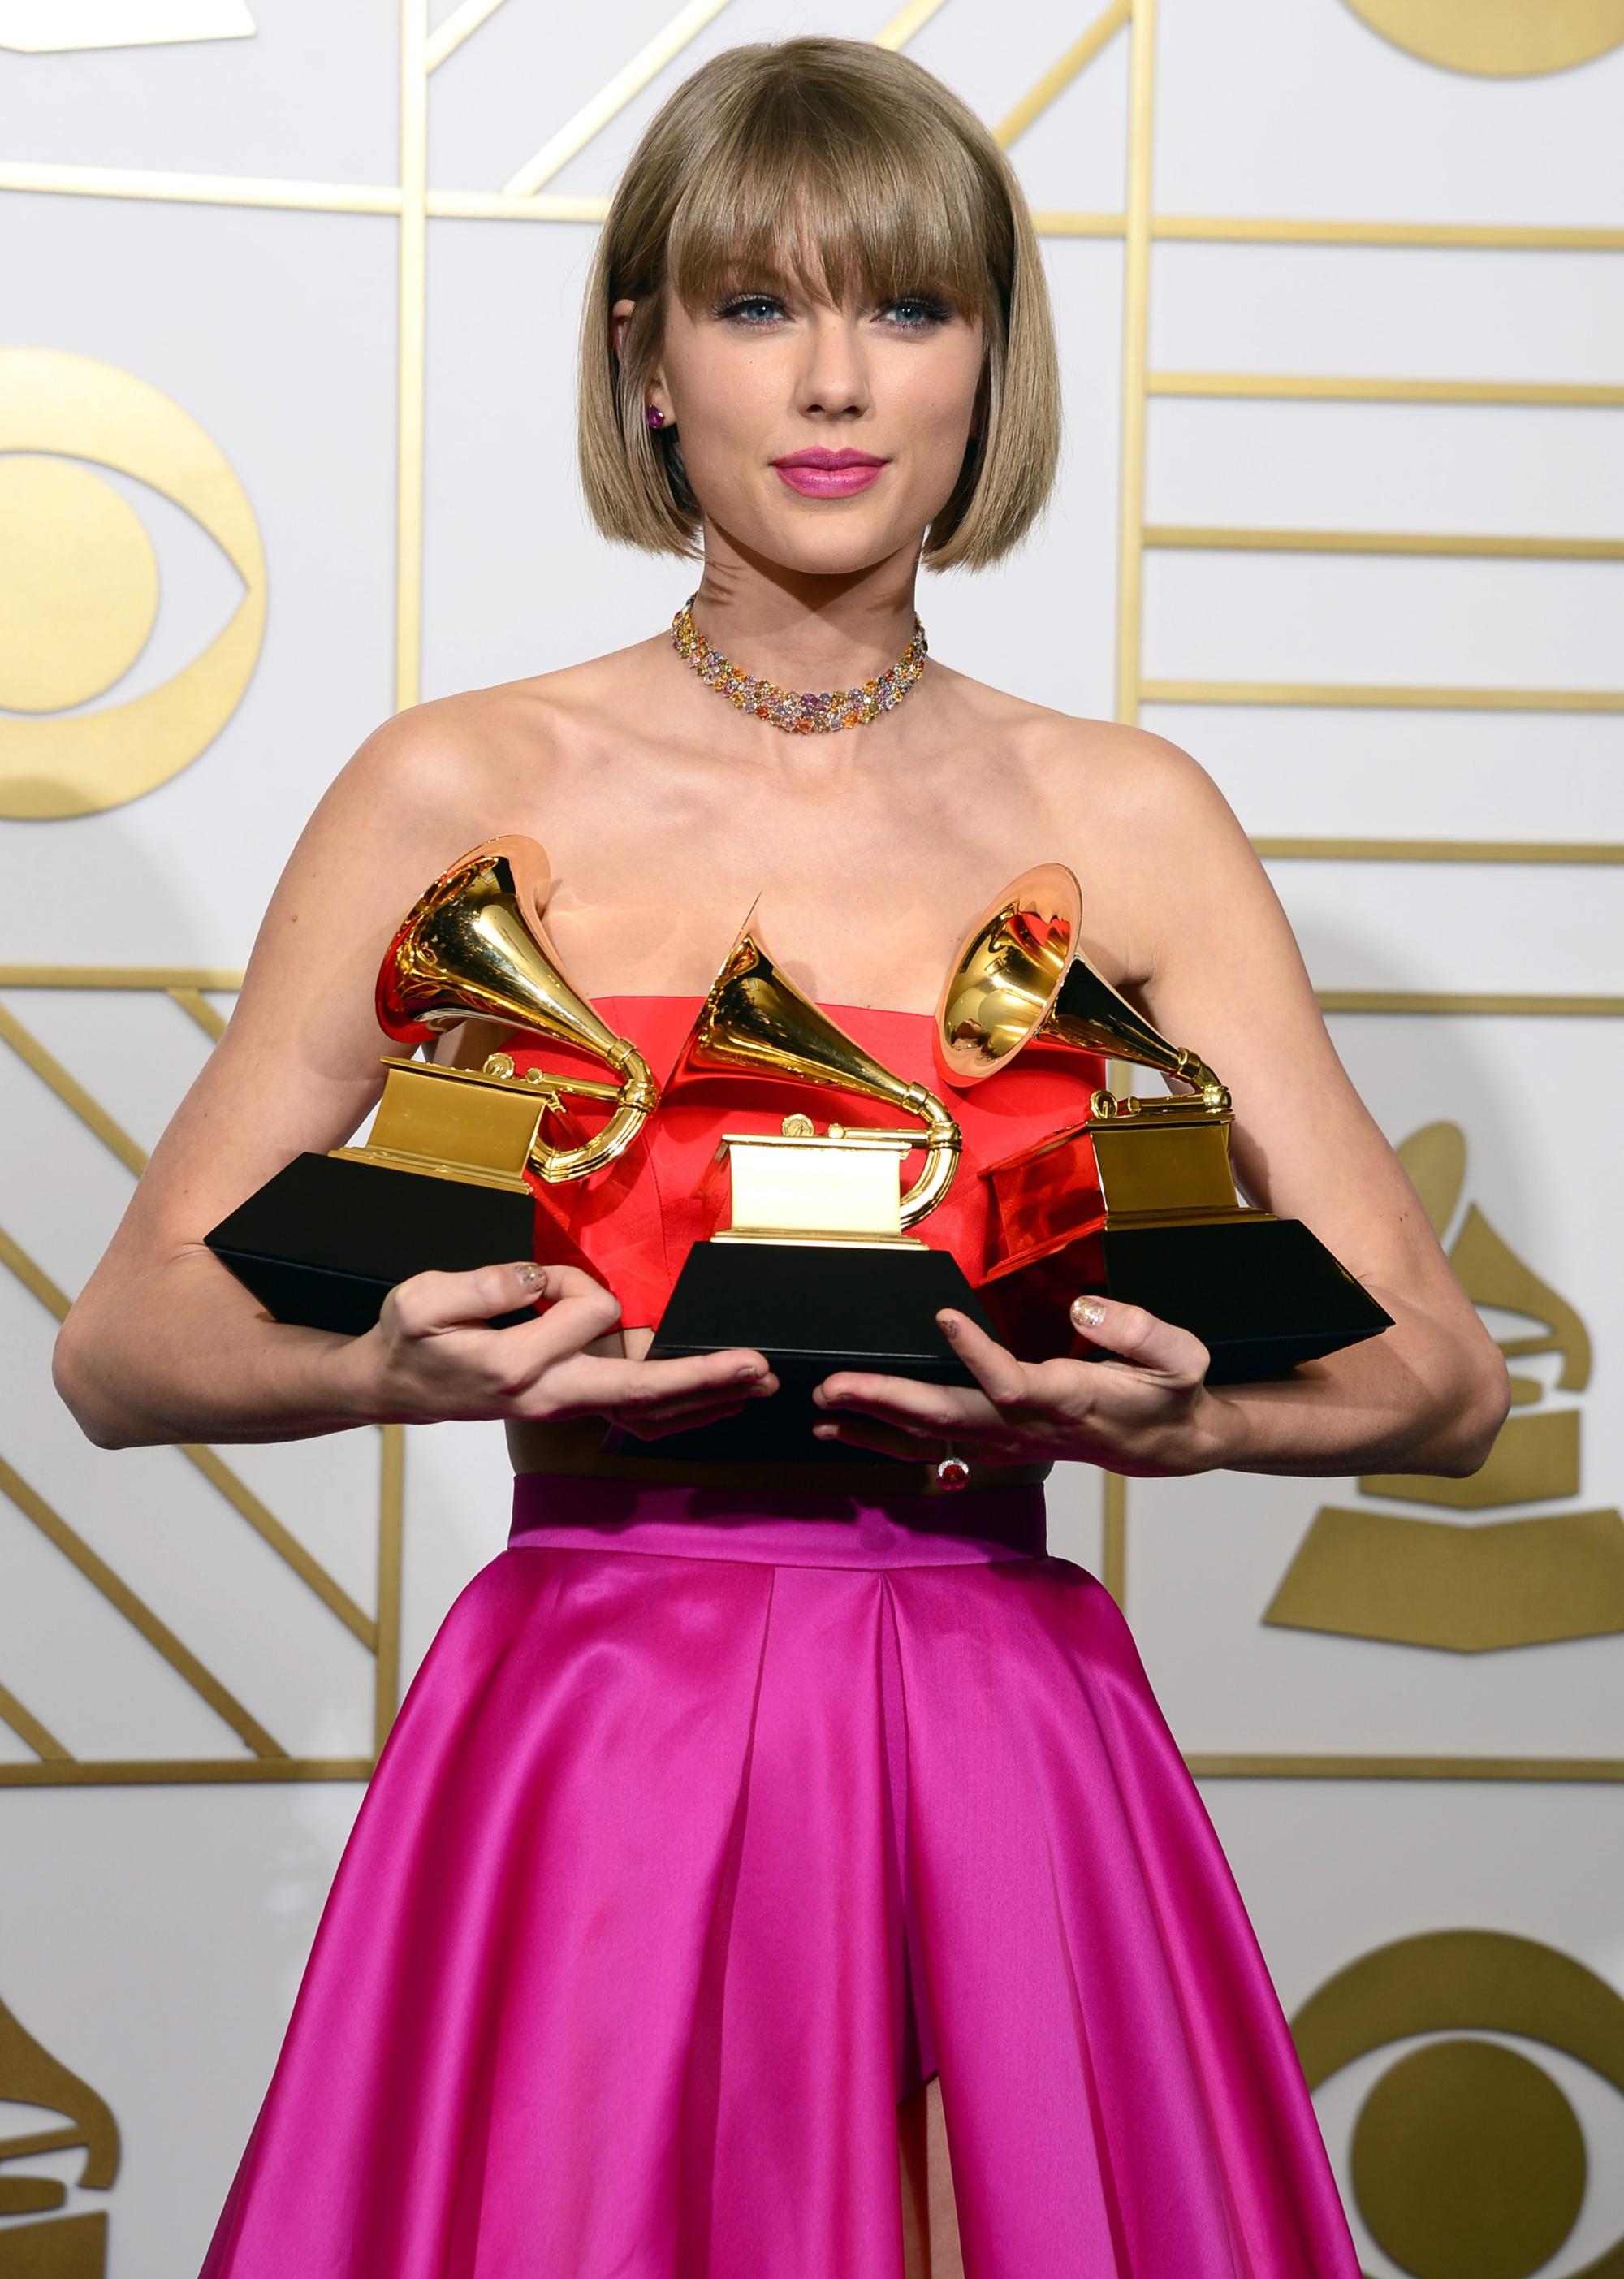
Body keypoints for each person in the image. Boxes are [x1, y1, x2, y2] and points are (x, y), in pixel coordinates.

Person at [52, 33, 1509, 2279]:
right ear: (647, 365)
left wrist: (1181, 1416)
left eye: (907, 310)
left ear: (988, 367)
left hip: (1005, 1730)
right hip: (588, 1733)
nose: (835, 382)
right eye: (755, 309)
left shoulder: (1128, 820)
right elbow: (126, 1344)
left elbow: (1442, 1377)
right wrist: (413, 1369)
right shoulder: (456, 785)